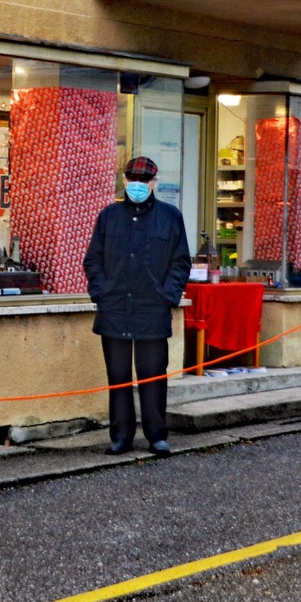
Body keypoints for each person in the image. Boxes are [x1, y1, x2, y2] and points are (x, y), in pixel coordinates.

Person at [83, 156, 190, 458]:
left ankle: (157, 435)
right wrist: (101, 292)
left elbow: (180, 262)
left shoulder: (170, 217)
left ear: (155, 183)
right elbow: (93, 260)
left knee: (153, 374)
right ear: (124, 181)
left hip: (152, 309)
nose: (138, 186)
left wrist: (167, 295)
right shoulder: (109, 216)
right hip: (114, 308)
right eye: (133, 180)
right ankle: (121, 437)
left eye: (144, 181)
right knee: (118, 376)